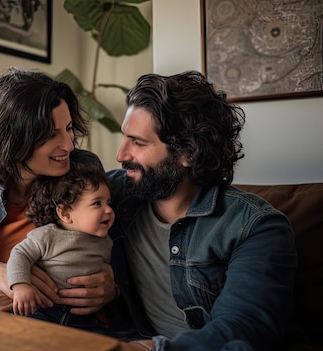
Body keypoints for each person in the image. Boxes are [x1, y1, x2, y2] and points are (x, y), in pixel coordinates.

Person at [105, 71, 298, 351]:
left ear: (188, 154)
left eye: (138, 142)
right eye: (125, 138)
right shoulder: (114, 195)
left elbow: (241, 328)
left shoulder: (256, 227)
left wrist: (149, 348)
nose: (121, 155)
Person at [0, 67, 117, 315]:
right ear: (13, 139)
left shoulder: (83, 174)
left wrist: (112, 288)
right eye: (51, 134)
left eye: (69, 128)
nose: (69, 145)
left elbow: (119, 266)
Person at [7, 161, 114, 333]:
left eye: (109, 203)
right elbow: (19, 254)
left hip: (85, 318)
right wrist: (21, 286)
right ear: (65, 213)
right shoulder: (48, 235)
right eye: (97, 203)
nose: (108, 210)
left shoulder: (106, 241)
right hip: (43, 311)